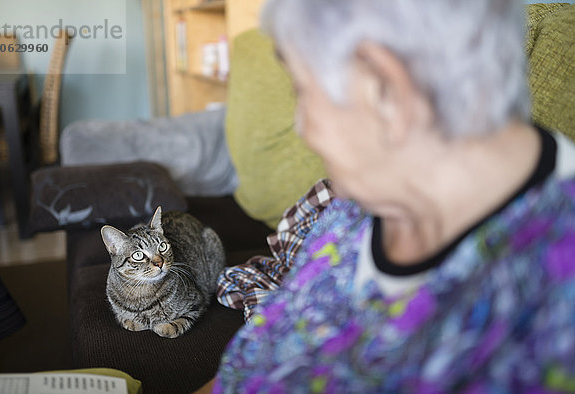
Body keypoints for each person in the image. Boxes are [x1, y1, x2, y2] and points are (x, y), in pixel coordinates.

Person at [200, 0, 575, 392]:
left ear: (386, 91)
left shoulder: (547, 295)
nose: (302, 128)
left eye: (302, 91)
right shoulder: (360, 200)